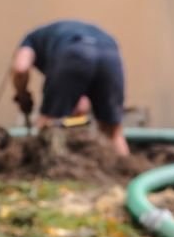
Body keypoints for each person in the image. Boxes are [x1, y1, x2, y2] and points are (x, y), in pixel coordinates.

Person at [11, 20, 130, 156]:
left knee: (49, 124)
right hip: (110, 53)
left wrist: (22, 94)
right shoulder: (69, 32)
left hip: (72, 51)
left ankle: (42, 173)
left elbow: (20, 69)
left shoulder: (30, 39)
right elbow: (81, 101)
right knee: (113, 132)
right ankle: (126, 174)